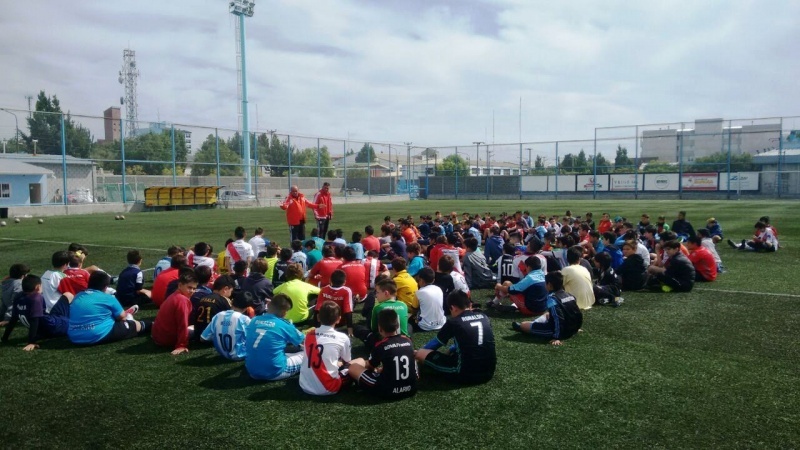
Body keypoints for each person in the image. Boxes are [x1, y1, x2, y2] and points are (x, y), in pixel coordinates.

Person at [415, 290, 496, 384]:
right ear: (470, 305)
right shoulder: (484, 316)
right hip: (489, 373)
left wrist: (419, 352)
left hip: (465, 374)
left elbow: (435, 344)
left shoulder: (454, 322)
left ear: (453, 308)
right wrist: (451, 349)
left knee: (421, 353)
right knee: (454, 351)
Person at [349, 308, 417, 399]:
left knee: (353, 367)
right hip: (411, 388)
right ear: (397, 326)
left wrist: (375, 370)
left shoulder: (381, 345)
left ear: (380, 329)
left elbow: (370, 366)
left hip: (386, 391)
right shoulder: (408, 341)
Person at [67, 271, 149, 345]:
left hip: (74, 336)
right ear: (106, 287)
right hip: (95, 334)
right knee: (133, 324)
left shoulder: (77, 296)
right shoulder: (108, 298)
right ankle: (149, 325)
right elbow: (122, 317)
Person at [0, 275, 72, 351]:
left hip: (46, 323)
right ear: (37, 287)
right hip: (53, 327)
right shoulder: (36, 297)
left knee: (67, 295)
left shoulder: (18, 296)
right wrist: (31, 342)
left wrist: (5, 337)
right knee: (74, 323)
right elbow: (35, 320)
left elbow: (13, 318)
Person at [511, 271, 583, 346]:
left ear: (549, 285)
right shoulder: (569, 295)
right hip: (572, 329)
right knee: (548, 314)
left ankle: (525, 326)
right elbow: (577, 313)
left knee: (523, 325)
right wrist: (576, 328)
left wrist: (557, 337)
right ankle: (534, 324)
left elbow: (558, 318)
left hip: (557, 330)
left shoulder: (552, 299)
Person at [245, 294, 306, 381]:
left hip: (251, 370)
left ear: (269, 305)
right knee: (307, 354)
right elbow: (306, 341)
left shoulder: (254, 320)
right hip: (274, 372)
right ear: (284, 312)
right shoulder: (284, 325)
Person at [300, 301, 352, 396]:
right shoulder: (342, 337)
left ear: (318, 318)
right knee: (357, 363)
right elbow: (347, 360)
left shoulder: (309, 334)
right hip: (329, 388)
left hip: (304, 386)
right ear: (339, 319)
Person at [354, 278, 409, 351]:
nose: (376, 295)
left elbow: (373, 329)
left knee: (358, 329)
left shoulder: (378, 307)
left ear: (386, 293)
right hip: (404, 341)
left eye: (377, 292)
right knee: (409, 326)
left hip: (385, 344)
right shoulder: (403, 305)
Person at [152, 269, 199, 355]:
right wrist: (181, 345)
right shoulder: (182, 300)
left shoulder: (174, 295)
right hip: (168, 339)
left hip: (158, 337)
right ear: (180, 285)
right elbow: (183, 324)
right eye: (189, 287)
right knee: (200, 329)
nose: (192, 291)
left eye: (194, 288)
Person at [200, 288, 251, 361]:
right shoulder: (244, 319)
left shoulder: (218, 316)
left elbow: (203, 338)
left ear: (232, 301)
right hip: (240, 355)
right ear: (246, 308)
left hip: (222, 354)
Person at [192, 275, 236, 341]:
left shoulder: (202, 298)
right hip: (212, 337)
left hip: (197, 334)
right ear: (225, 289)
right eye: (231, 291)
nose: (231, 294)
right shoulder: (224, 300)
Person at [314, 270, 353, 336]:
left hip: (324, 322)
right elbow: (348, 311)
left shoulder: (324, 289)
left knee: (317, 302)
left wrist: (317, 327)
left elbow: (317, 309)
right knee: (351, 302)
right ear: (344, 282)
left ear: (330, 280)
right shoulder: (346, 291)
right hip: (340, 322)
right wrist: (350, 328)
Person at [411, 267, 445, 332]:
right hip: (441, 323)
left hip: (425, 326)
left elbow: (414, 309)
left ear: (421, 281)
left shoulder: (419, 292)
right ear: (433, 280)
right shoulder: (439, 289)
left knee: (410, 320)